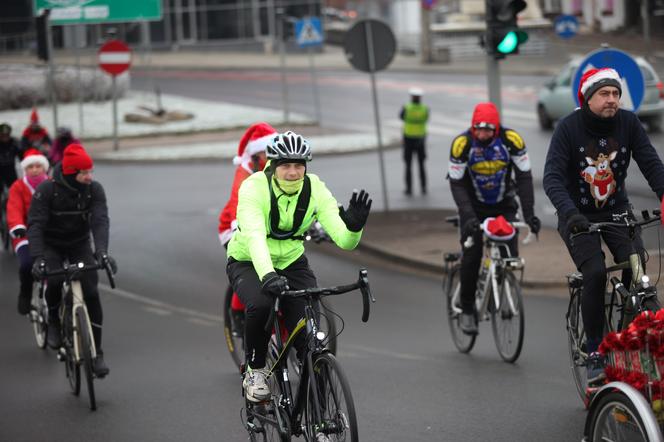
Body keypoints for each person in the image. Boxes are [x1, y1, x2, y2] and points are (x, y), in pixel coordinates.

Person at [226, 131, 371, 402]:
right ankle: (255, 370)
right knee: (260, 304)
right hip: (248, 259)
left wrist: (354, 227)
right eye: (285, 165)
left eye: (299, 165)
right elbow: (255, 236)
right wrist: (268, 275)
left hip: (292, 261)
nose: (293, 172)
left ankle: (319, 418)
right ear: (273, 165)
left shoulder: (315, 188)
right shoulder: (254, 187)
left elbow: (344, 240)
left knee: (308, 332)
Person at [543, 67, 664, 385]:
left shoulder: (628, 122)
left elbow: (650, 161)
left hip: (617, 212)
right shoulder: (569, 128)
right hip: (577, 216)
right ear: (587, 98)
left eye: (616, 94)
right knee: (595, 271)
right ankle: (595, 349)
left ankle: (627, 331)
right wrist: (570, 214)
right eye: (604, 94)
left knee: (638, 268)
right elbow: (552, 178)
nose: (612, 100)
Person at [448, 102, 540, 336]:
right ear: (472, 127)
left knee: (510, 257)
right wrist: (467, 216)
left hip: (504, 205)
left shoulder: (512, 140)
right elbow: (457, 183)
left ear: (497, 128)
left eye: (488, 130)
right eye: (478, 129)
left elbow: (524, 178)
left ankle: (500, 283)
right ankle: (468, 308)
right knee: (473, 254)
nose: (482, 134)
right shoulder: (462, 144)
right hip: (473, 208)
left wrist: (529, 214)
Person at [28, 143, 116, 377]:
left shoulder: (94, 189)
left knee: (91, 291)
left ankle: (97, 353)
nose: (90, 176)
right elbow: (35, 225)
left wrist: (102, 252)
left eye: (91, 171)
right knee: (54, 281)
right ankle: (55, 323)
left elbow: (100, 220)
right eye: (85, 172)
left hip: (78, 243)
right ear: (70, 173)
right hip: (51, 244)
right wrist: (38, 258)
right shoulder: (47, 191)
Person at [218, 122, 276, 247]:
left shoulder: (279, 166)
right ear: (257, 153)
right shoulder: (247, 168)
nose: (273, 155)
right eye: (268, 151)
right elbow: (237, 198)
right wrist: (237, 225)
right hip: (232, 228)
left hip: (264, 222)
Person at [7, 149, 50, 314]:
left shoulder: (52, 184)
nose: (34, 169)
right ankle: (25, 293)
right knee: (27, 265)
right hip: (24, 235)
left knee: (55, 266)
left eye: (38, 166)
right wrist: (17, 226)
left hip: (48, 233)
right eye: (30, 166)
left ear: (44, 168)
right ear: (25, 169)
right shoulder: (18, 186)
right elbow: (14, 208)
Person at [399, 88, 429, 196]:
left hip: (408, 138)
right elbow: (426, 118)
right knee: (421, 165)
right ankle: (424, 187)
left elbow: (401, 117)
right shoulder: (425, 108)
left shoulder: (406, 107)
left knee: (408, 165)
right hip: (421, 139)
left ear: (411, 97)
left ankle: (409, 189)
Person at [0, 123, 21, 192]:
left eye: (7, 135)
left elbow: (21, 155)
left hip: (11, 169)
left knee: (14, 188)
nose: (5, 137)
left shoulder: (14, 142)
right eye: (3, 135)